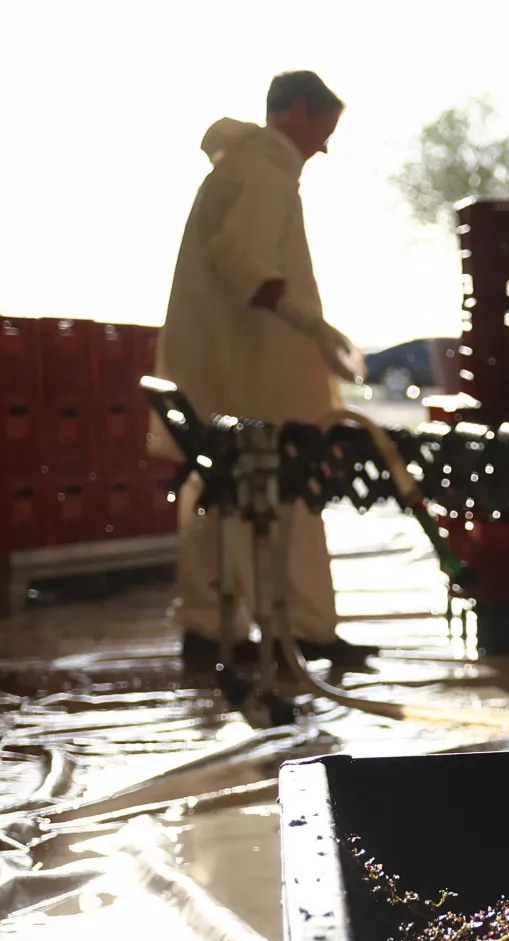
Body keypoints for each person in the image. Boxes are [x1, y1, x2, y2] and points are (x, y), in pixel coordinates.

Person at [155, 69, 375, 672]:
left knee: (219, 495)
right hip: (263, 371)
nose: (325, 145)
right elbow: (241, 259)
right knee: (288, 490)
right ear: (298, 111)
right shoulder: (264, 173)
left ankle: (206, 627)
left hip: (223, 369)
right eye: (324, 130)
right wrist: (312, 325)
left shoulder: (237, 169)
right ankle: (307, 629)